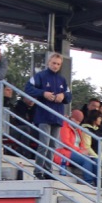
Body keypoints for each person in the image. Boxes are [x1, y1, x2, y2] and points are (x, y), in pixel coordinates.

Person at [23, 52, 70, 180]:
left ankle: (48, 171)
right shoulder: (41, 76)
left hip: (57, 116)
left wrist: (63, 96)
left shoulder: (62, 79)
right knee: (44, 144)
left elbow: (69, 96)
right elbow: (28, 88)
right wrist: (43, 93)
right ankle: (38, 170)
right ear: (48, 62)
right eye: (54, 63)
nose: (56, 66)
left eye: (58, 64)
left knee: (52, 145)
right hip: (43, 115)